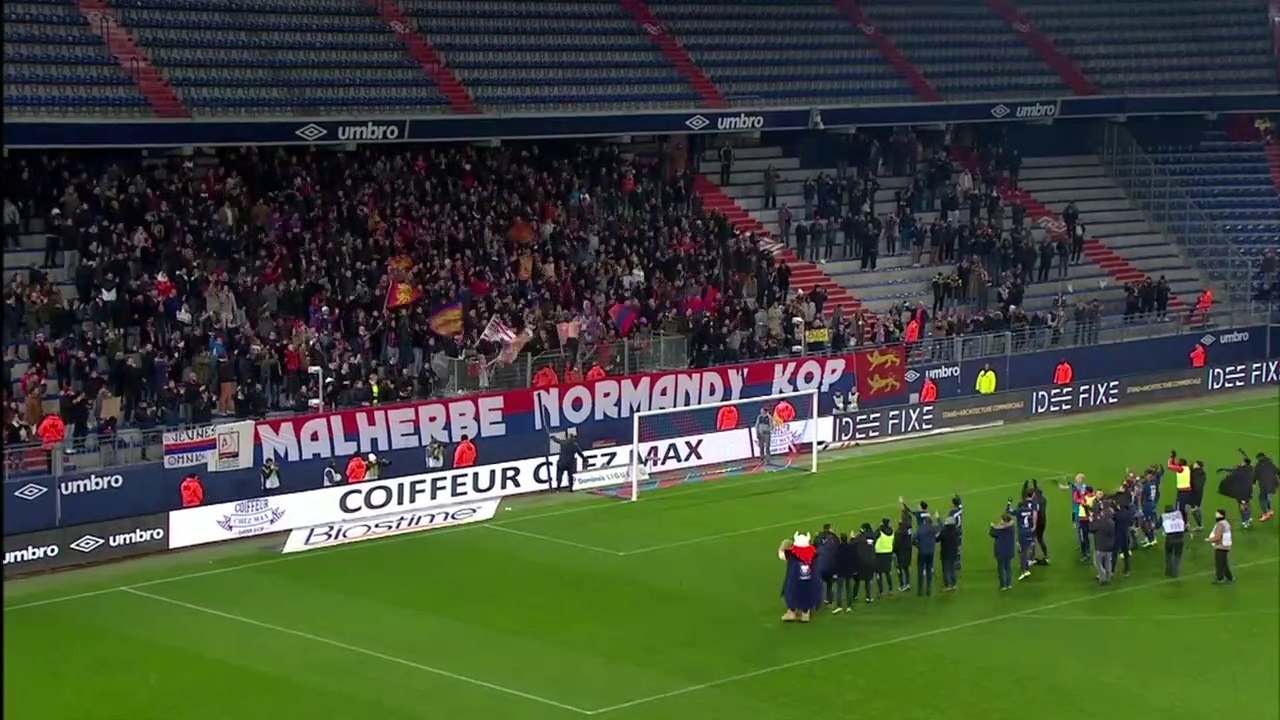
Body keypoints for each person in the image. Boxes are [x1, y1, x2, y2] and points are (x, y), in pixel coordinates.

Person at [779, 532, 822, 622]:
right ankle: (805, 613)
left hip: (794, 580)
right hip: (809, 579)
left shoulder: (792, 553)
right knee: (807, 594)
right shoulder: (813, 552)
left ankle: (791, 612)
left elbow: (781, 555)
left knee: (791, 594)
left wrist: (782, 547)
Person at [1008, 491, 1037, 581]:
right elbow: (1033, 517)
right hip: (1029, 532)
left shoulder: (1019, 511)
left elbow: (1008, 511)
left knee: (1022, 553)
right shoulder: (1030, 510)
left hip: (1022, 533)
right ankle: (1027, 566)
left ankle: (1024, 571)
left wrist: (1009, 503)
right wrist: (1033, 527)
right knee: (1027, 550)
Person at [1090, 503, 1116, 585]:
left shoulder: (1100, 522)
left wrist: (1091, 521)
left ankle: (1103, 578)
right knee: (1108, 563)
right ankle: (1108, 577)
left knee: (1098, 563)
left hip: (1100, 546)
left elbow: (1091, 529)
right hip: (1109, 546)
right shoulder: (1112, 523)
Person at [1206, 509, 1234, 584]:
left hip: (1221, 546)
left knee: (1219, 563)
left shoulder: (1220, 524)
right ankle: (1230, 577)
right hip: (1226, 545)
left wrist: (1209, 540)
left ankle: (1220, 579)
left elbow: (1217, 537)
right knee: (1224, 563)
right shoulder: (1226, 523)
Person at [815, 523, 840, 605]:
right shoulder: (834, 537)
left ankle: (817, 600)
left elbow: (815, 547)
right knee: (830, 583)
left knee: (819, 583)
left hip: (820, 564)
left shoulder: (819, 536)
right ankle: (829, 599)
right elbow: (838, 549)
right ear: (830, 529)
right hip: (831, 565)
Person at [990, 513, 1016, 591]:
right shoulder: (1012, 528)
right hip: (1009, 551)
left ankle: (1003, 585)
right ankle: (1009, 584)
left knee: (1001, 569)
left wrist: (993, 527)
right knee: (1008, 567)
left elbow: (992, 534)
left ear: (1004, 521)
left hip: (1000, 551)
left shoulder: (999, 530)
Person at [832, 533, 856, 613]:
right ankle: (849, 606)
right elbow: (853, 559)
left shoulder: (838, 548)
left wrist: (835, 572)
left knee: (839, 589)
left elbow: (836, 561)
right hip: (848, 570)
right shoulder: (850, 547)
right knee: (849, 588)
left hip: (840, 571)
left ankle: (839, 606)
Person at [854, 523, 878, 604]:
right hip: (871, 560)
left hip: (861, 560)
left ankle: (854, 595)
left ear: (864, 529)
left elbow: (854, 543)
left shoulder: (860, 537)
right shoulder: (873, 535)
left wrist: (853, 537)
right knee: (868, 579)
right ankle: (868, 597)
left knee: (857, 579)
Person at [1160, 504, 1186, 578]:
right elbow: (1184, 524)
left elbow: (1157, 525)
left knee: (1168, 554)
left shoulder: (1164, 516)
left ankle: (1168, 571)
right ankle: (1175, 572)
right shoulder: (1179, 515)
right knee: (1177, 556)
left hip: (1170, 538)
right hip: (1180, 538)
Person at [914, 513, 936, 596]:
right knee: (929, 569)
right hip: (930, 552)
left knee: (920, 570)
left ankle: (920, 590)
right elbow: (941, 527)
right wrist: (939, 519)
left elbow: (913, 539)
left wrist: (918, 546)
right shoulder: (933, 528)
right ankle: (928, 588)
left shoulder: (920, 528)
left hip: (922, 552)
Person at [938, 514, 960, 591]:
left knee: (946, 570)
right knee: (952, 569)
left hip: (946, 553)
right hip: (954, 553)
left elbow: (937, 539)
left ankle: (948, 585)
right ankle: (954, 584)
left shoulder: (944, 532)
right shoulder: (956, 531)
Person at [874, 519, 895, 597]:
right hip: (888, 553)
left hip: (879, 553)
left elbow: (874, 538)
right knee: (887, 572)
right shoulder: (892, 531)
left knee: (878, 573)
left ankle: (881, 591)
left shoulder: (879, 531)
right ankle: (890, 589)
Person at [893, 517, 914, 592]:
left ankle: (902, 585)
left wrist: (894, 551)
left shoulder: (898, 532)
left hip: (900, 553)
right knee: (906, 568)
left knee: (899, 569)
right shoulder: (908, 530)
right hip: (908, 552)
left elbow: (896, 544)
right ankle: (907, 584)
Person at [1256, 452, 1278, 522]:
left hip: (1265, 486)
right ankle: (1270, 511)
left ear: (1258, 458)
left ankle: (1265, 514)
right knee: (1268, 498)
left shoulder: (1258, 466)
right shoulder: (1271, 463)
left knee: (1262, 500)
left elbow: (1255, 476)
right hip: (1273, 485)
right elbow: (1278, 471)